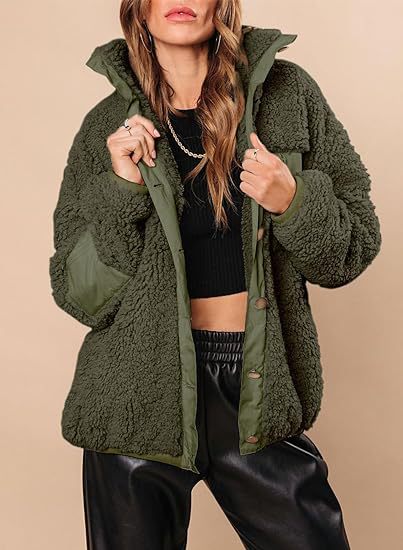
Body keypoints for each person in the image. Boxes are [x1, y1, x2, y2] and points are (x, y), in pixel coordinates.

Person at [49, 1, 382, 548]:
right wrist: (122, 190)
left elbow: (353, 249)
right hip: (135, 392)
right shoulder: (104, 130)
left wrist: (293, 202)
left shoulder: (288, 96)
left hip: (254, 384)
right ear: (139, 8)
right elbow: (79, 294)